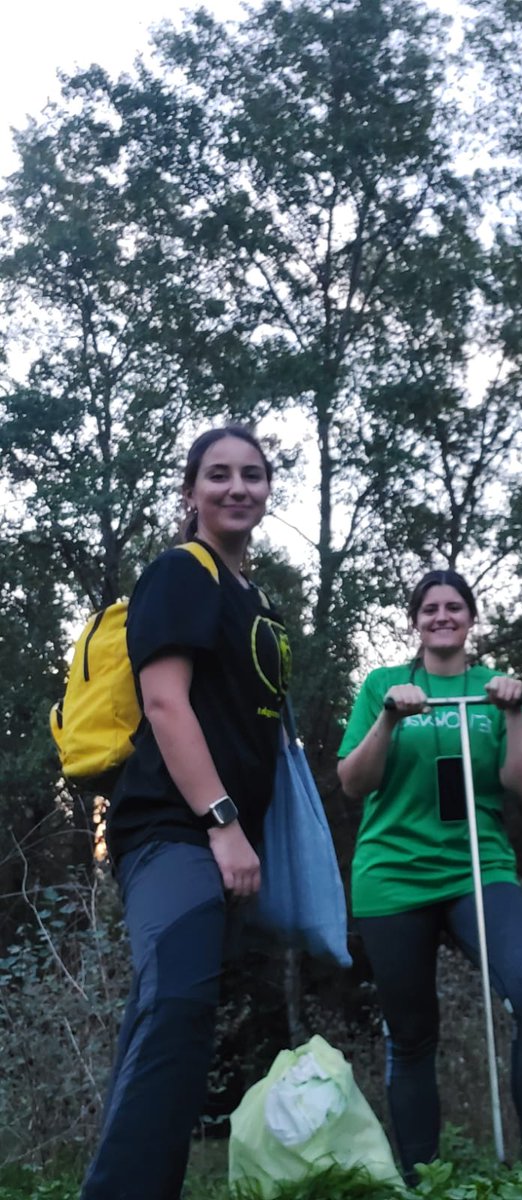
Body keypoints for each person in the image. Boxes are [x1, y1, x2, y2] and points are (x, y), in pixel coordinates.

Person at [82, 426, 290, 1200]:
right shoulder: (179, 573)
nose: (238, 487)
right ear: (190, 490)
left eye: (253, 475)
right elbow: (166, 705)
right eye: (219, 474)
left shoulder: (252, 597)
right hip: (172, 828)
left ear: (268, 489)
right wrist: (224, 821)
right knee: (174, 1004)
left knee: (173, 1016)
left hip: (219, 831)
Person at [337, 569, 522, 1180]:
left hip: (477, 869)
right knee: (412, 1034)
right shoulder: (383, 685)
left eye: (454, 607)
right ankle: (424, 1181)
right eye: (430, 607)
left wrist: (516, 713)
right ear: (415, 620)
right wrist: (388, 719)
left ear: (470, 618)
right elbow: (353, 783)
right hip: (392, 877)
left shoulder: (496, 689)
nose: (442, 615)